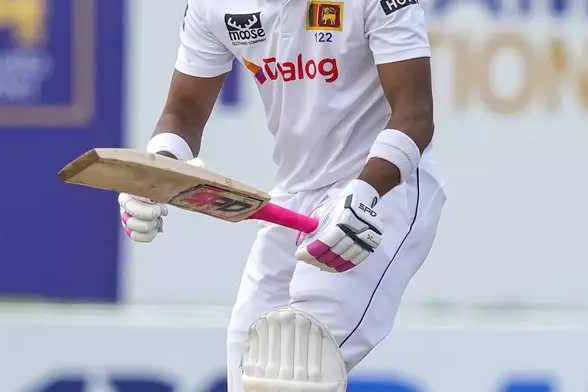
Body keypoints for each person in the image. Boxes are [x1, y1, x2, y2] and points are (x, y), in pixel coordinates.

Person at [118, 0, 447, 390]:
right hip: (295, 195)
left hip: (385, 193)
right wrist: (157, 170)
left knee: (288, 365)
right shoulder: (211, 6)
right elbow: (184, 113)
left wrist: (363, 192)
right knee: (247, 366)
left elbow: (415, 114)